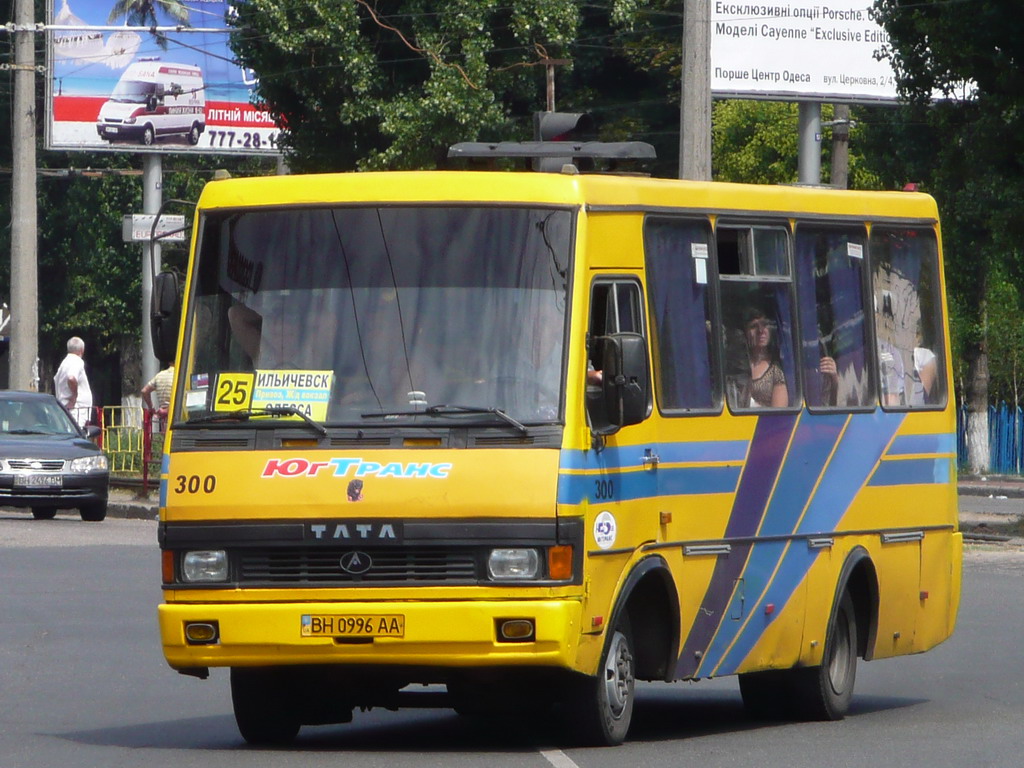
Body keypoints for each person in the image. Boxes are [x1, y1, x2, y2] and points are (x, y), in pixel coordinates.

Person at [742, 308, 788, 408]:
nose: (761, 330)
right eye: (754, 326)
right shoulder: (738, 365)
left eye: (765, 325)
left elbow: (779, 413)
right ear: (745, 332)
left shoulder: (777, 369)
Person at [54, 336, 93, 427]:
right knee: (77, 434)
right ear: (82, 350)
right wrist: (74, 397)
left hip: (66, 408)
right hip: (76, 409)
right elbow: (71, 378)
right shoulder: (76, 361)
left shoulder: (64, 363)